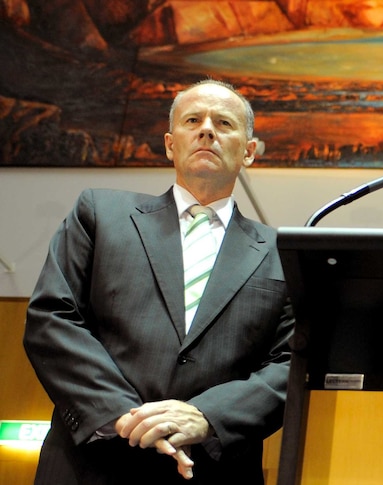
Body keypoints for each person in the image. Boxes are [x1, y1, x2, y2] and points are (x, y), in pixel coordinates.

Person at [23, 79, 294, 484]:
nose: (207, 130)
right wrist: (128, 418)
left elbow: (291, 362)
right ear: (170, 144)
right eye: (192, 120)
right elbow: (52, 318)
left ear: (249, 152)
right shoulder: (100, 214)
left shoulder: (283, 252)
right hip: (92, 463)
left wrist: (206, 416)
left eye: (223, 122)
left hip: (212, 468)